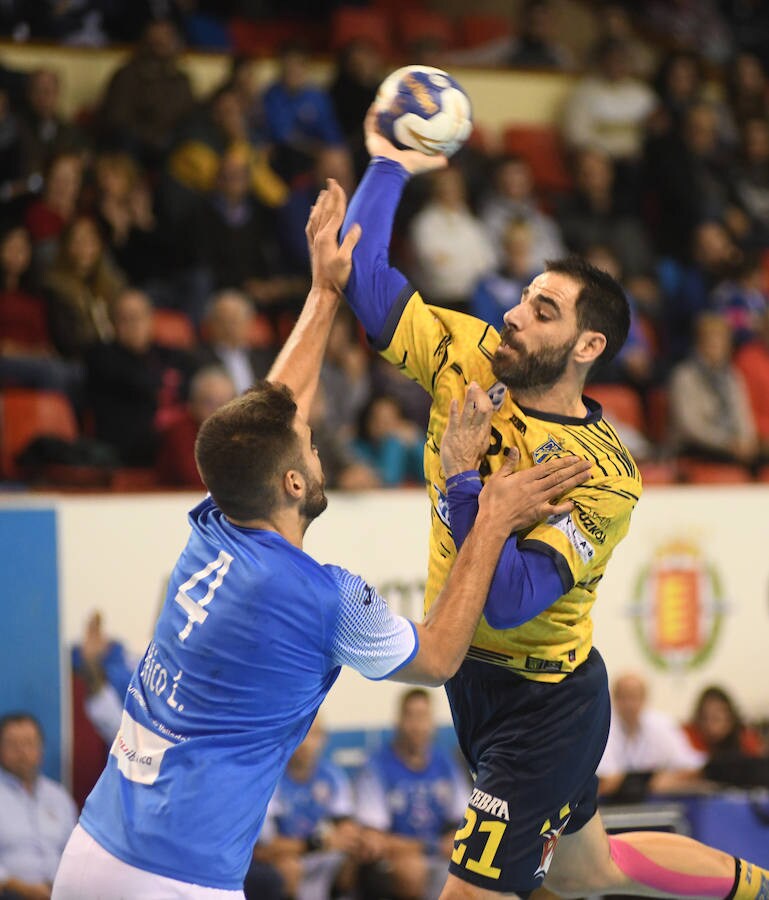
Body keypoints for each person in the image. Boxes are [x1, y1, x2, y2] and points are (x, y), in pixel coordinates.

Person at [51, 181, 591, 900]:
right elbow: (436, 657)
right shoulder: (321, 594)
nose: (314, 437)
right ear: (296, 486)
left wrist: (324, 289)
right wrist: (486, 514)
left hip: (92, 850)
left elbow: (273, 409)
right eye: (308, 444)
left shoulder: (215, 522)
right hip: (178, 879)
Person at [337, 114, 769, 899]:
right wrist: (389, 164)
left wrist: (468, 485)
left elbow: (505, 603)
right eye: (524, 298)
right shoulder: (467, 359)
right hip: (472, 685)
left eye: (543, 312)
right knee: (591, 871)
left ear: (587, 347)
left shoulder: (601, 475)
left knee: (470, 890)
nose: (513, 313)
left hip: (544, 702)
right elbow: (362, 277)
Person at [355, 689, 468, 900]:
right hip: (393, 859)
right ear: (399, 721)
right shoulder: (376, 766)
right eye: (411, 717)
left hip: (437, 856)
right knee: (412, 870)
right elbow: (374, 839)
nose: (417, 726)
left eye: (423, 717)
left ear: (432, 723)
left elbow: (463, 823)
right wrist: (430, 846)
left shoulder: (445, 763)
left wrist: (451, 842)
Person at [256, 719, 359, 900]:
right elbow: (264, 849)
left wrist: (347, 836)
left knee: (355, 857)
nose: (307, 742)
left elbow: (345, 823)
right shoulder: (271, 778)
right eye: (302, 732)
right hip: (287, 856)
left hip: (322, 852)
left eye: (315, 734)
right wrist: (315, 844)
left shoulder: (332, 775)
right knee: (289, 868)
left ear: (324, 739)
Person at [0, 713, 77, 900]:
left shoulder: (59, 796)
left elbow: (75, 850)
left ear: (40, 748)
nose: (22, 752)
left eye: (29, 743)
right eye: (13, 744)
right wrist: (17, 887)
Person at [597, 673, 706, 801]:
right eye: (624, 697)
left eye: (634, 697)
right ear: (614, 699)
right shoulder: (601, 727)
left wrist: (669, 779)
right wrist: (651, 782)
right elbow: (605, 782)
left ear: (644, 698)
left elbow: (692, 766)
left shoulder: (663, 725)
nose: (630, 704)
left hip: (657, 803)